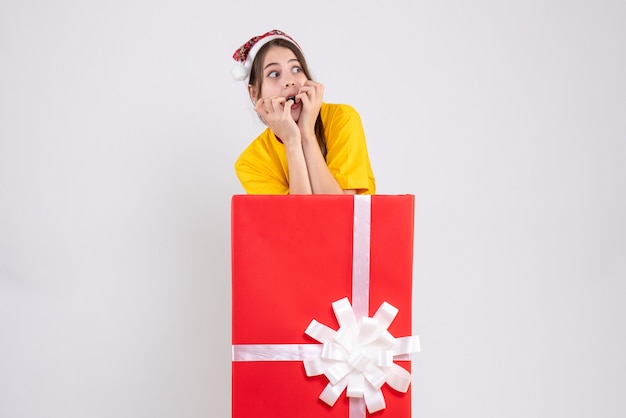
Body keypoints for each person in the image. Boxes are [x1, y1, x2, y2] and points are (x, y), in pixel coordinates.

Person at [231, 29, 376, 195]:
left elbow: (341, 213)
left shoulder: (342, 118)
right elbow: (298, 220)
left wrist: (307, 134)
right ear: (254, 93)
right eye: (274, 73)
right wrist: (292, 141)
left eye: (296, 69)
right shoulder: (250, 163)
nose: (289, 81)